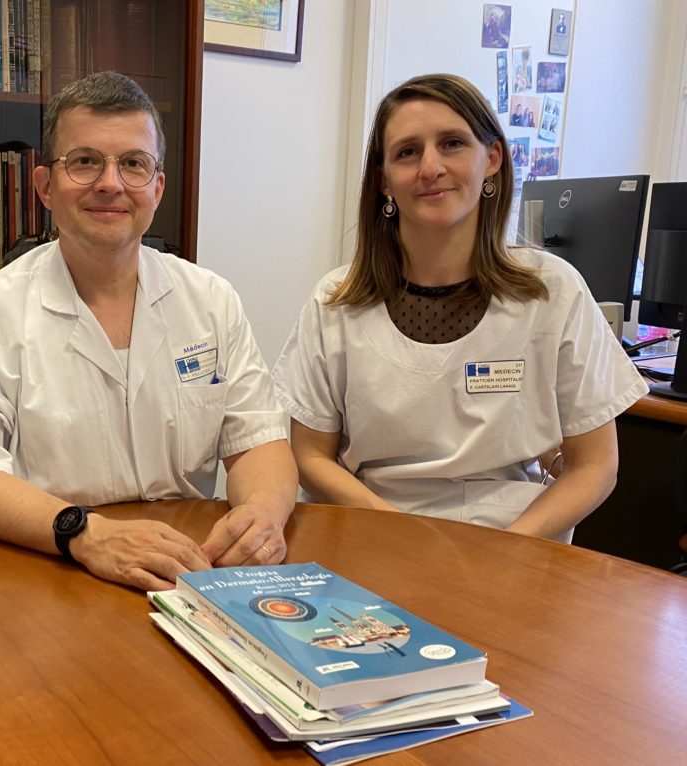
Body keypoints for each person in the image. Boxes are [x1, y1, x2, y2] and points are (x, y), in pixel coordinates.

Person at [0, 71, 297, 591]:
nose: (110, 183)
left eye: (133, 164)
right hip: (36, 569)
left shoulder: (211, 302)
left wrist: (263, 514)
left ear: (156, 188)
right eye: (85, 161)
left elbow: (258, 440)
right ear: (45, 186)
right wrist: (83, 533)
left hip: (178, 569)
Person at [273, 73, 646, 543]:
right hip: (373, 531)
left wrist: (501, 552)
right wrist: (400, 532)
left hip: (516, 541)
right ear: (385, 180)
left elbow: (595, 465)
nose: (430, 167)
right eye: (407, 152)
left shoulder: (553, 291)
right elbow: (310, 457)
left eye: (451, 143)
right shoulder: (336, 300)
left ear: (491, 159)